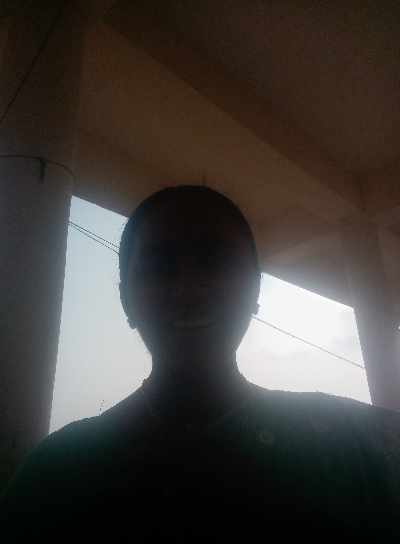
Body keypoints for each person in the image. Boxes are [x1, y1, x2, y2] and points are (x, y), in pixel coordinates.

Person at [1, 185, 400, 540]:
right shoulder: (56, 475)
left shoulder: (360, 446)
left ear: (255, 290)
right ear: (126, 299)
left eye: (214, 260)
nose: (189, 288)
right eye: (162, 265)